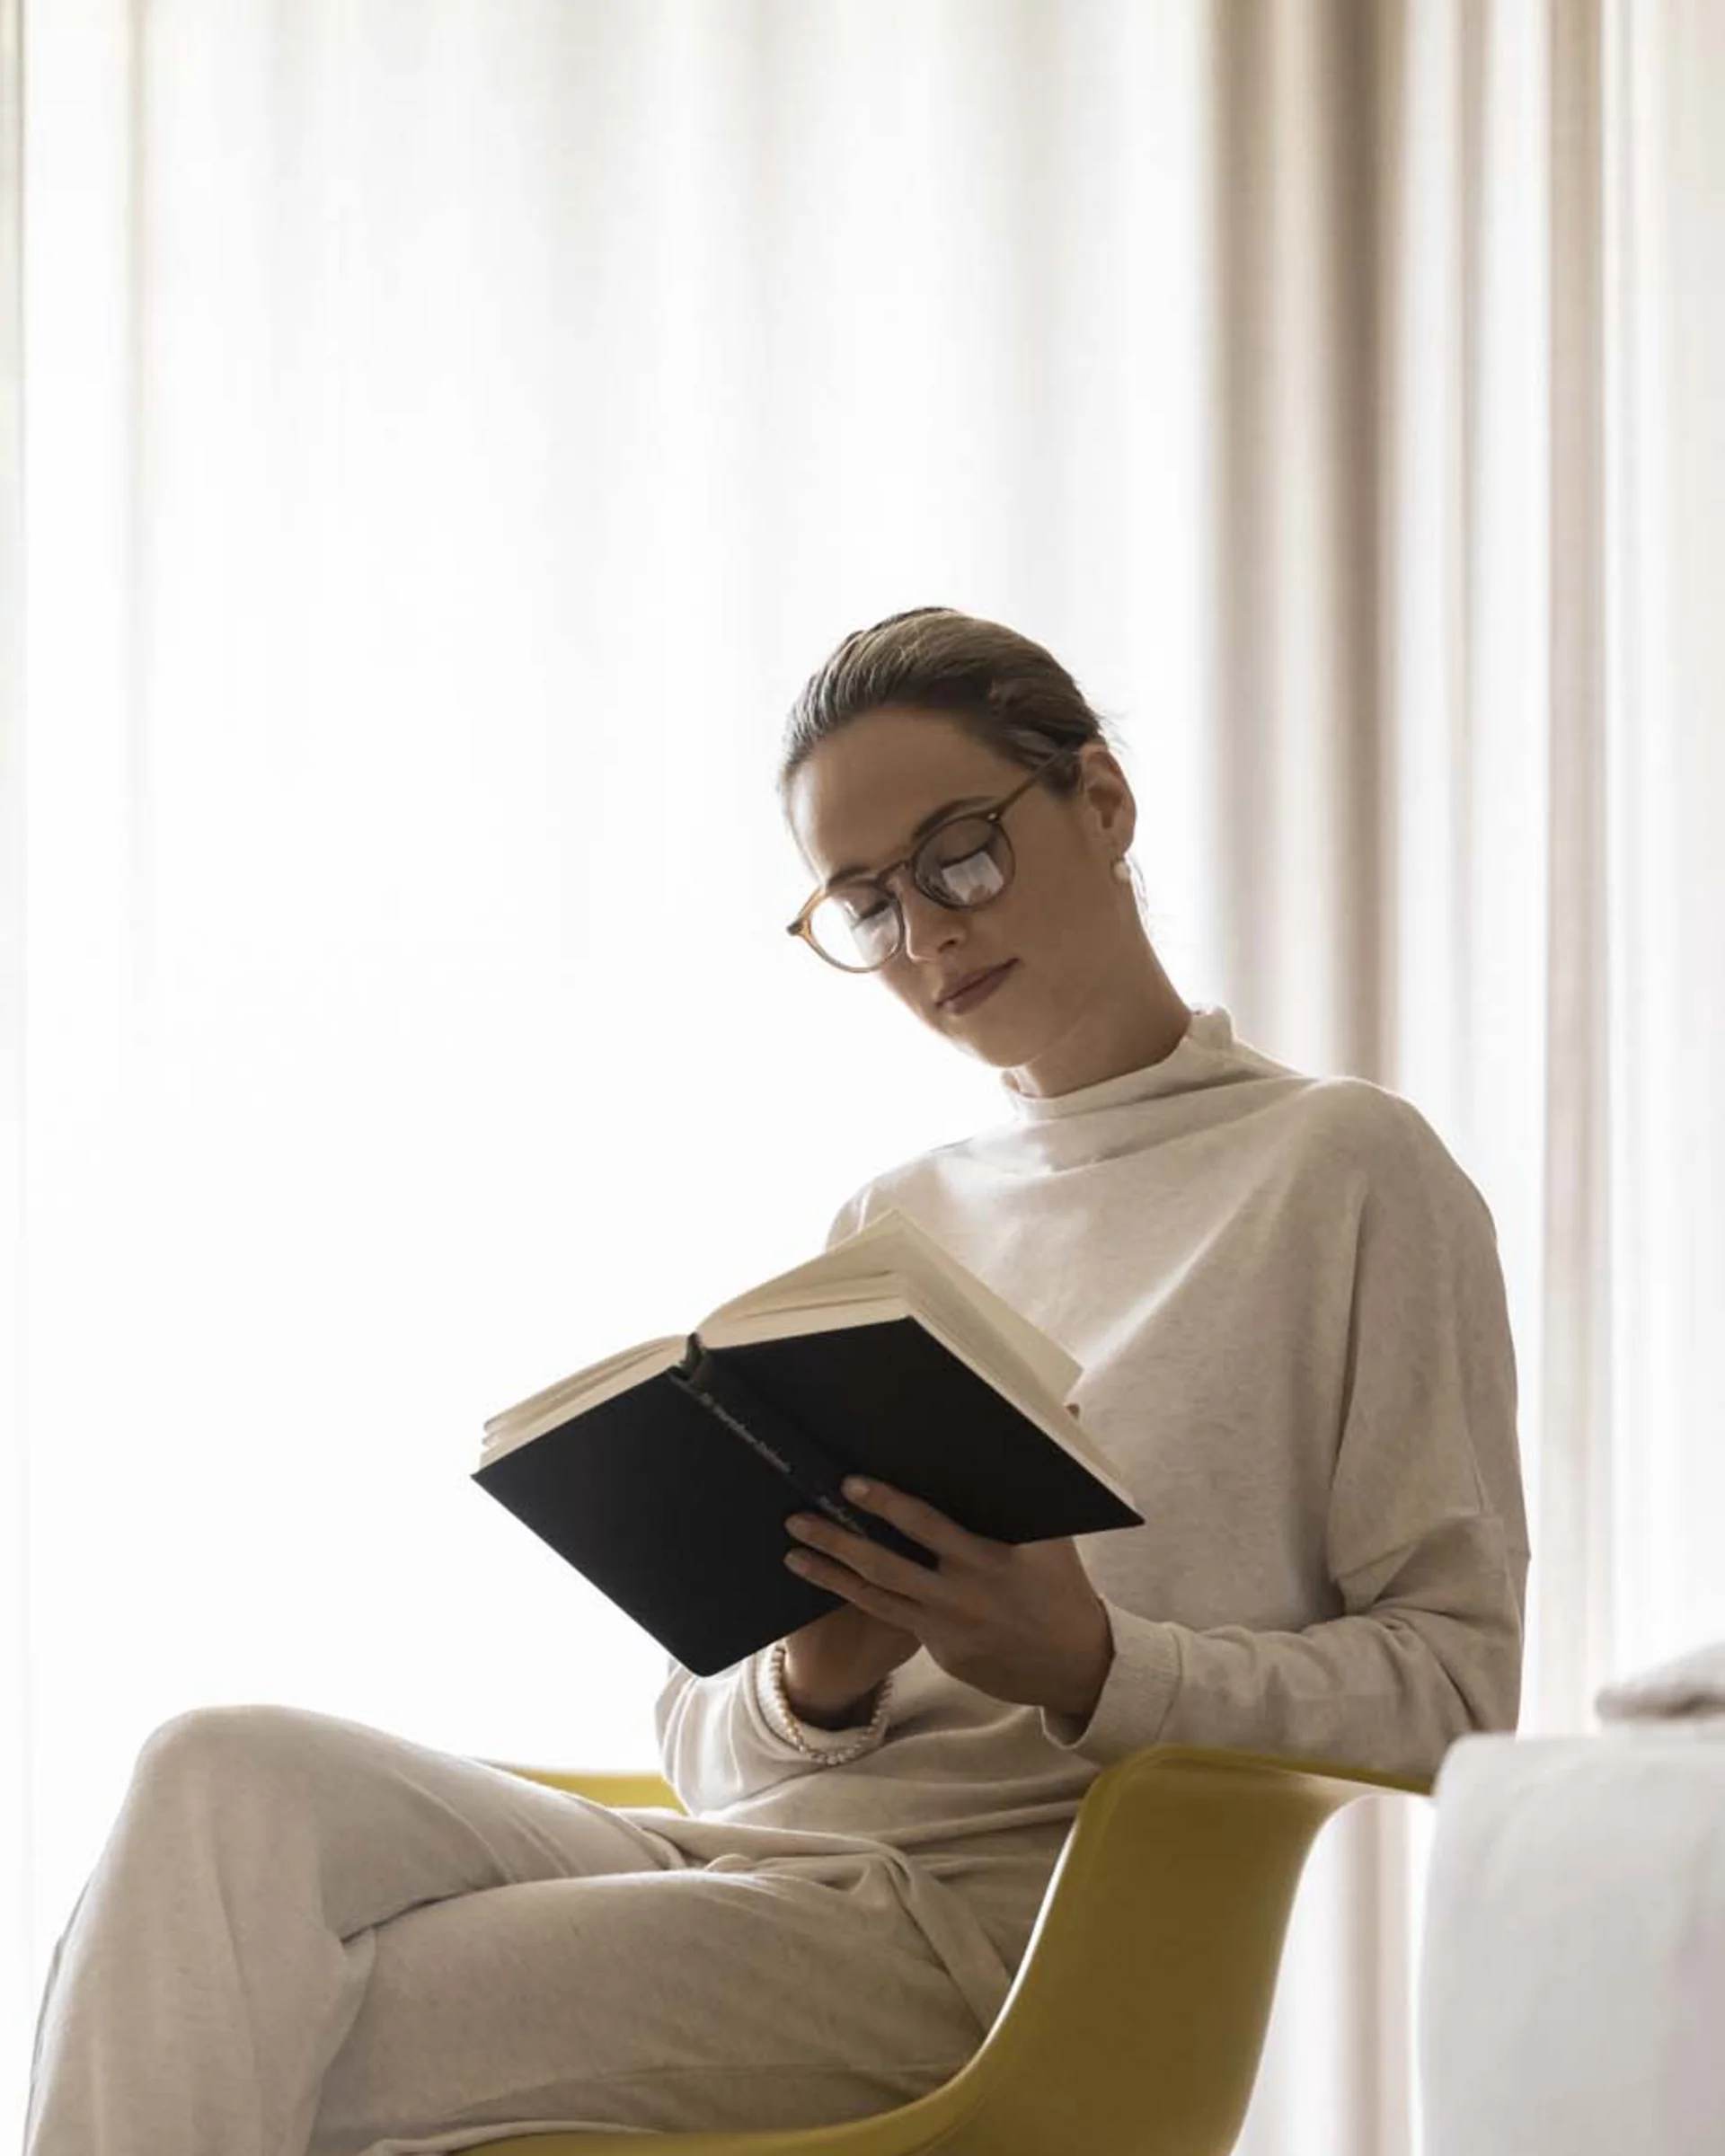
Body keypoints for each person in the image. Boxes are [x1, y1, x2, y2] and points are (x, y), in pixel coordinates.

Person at [22, 605, 1531, 2156]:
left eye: (959, 855)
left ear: (1104, 802)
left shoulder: (1345, 1172)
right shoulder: (901, 1218)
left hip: (982, 1948)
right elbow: (710, 1745)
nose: (931, 934)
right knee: (218, 1773)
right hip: (746, 1867)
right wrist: (820, 1677)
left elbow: (1461, 1696)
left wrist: (1093, 1664)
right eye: (867, 905)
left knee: (242, 2014)